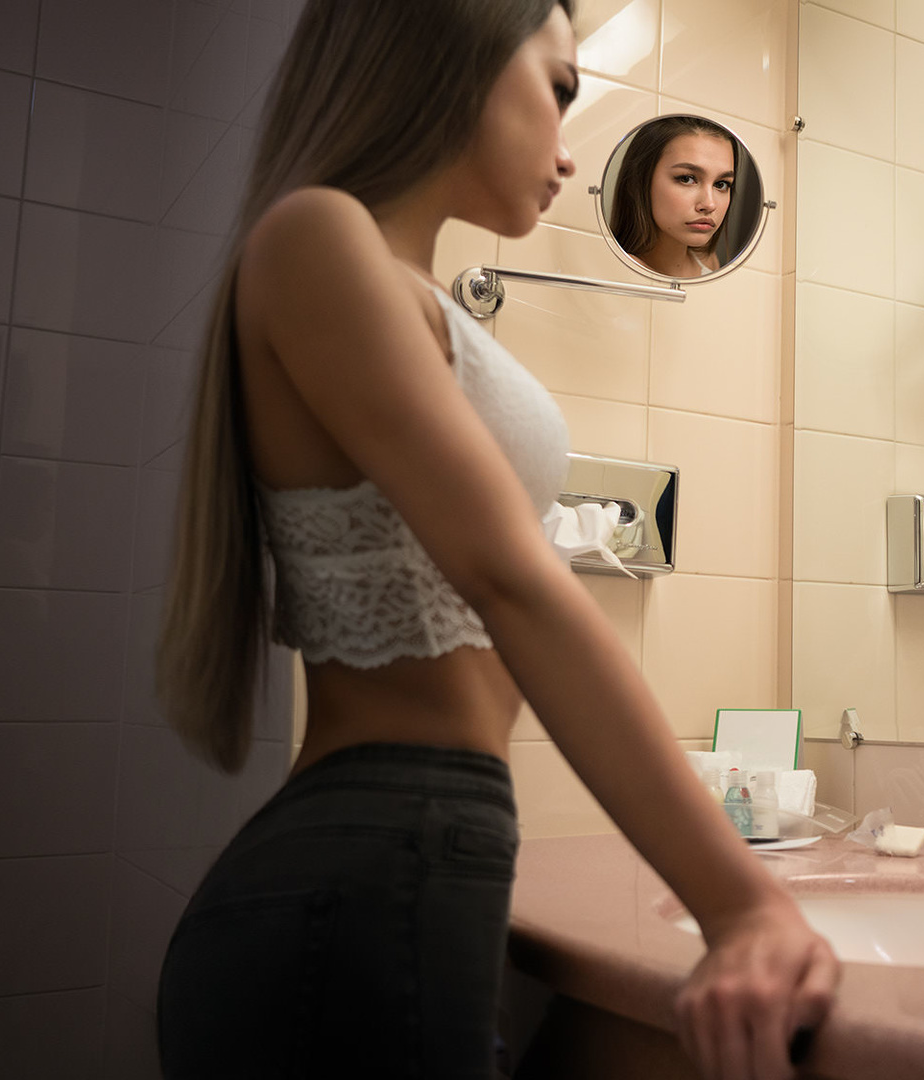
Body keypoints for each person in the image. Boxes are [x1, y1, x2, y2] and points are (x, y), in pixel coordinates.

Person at [152, 3, 837, 1078]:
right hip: (372, 850)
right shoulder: (317, 235)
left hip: (425, 843)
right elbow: (513, 583)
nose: (571, 147)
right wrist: (742, 906)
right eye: (560, 88)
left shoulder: (411, 296)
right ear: (451, 45)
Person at [608, 115, 740, 278]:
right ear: (641, 181)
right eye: (687, 179)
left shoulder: (709, 262)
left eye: (721, 184)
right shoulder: (618, 270)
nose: (710, 204)